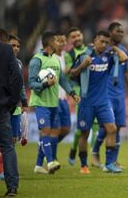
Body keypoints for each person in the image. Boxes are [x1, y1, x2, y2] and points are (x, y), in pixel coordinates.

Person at [68, 30, 128, 174]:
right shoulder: (84, 56)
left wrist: (113, 47)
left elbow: (124, 58)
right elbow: (71, 74)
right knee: (84, 133)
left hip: (103, 101)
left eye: (106, 42)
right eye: (101, 41)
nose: (104, 44)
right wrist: (83, 65)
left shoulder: (109, 57)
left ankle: (109, 164)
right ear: (94, 41)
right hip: (87, 102)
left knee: (112, 129)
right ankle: (83, 165)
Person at [29, 31, 80, 175]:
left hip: (54, 102)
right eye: (56, 41)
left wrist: (72, 93)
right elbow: (31, 83)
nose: (59, 43)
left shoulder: (55, 60)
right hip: (41, 102)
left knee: (51, 131)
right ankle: (50, 161)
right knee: (46, 131)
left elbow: (62, 79)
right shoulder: (36, 60)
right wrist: (45, 84)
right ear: (50, 43)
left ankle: (39, 165)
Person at [91, 22, 128, 171]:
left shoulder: (122, 51)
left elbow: (126, 72)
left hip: (120, 94)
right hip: (106, 94)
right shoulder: (104, 51)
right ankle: (96, 152)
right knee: (107, 127)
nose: (122, 34)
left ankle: (112, 161)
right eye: (118, 31)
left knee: (117, 128)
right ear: (110, 33)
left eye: (123, 32)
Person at [0, 14, 22, 196]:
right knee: (7, 147)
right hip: (0, 107)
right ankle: (12, 188)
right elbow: (17, 79)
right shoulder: (5, 50)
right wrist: (10, 102)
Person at [65, 27, 101, 165]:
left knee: (96, 125)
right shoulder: (69, 55)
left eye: (78, 35)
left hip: (94, 91)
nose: (77, 38)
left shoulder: (91, 50)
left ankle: (94, 156)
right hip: (79, 92)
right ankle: (74, 148)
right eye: (73, 36)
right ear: (69, 40)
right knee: (82, 128)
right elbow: (69, 72)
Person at [52, 33, 71, 162]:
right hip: (53, 97)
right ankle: (51, 155)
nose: (62, 43)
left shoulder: (65, 56)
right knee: (56, 129)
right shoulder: (51, 57)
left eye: (64, 41)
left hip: (63, 97)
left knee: (66, 129)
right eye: (59, 40)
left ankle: (46, 146)